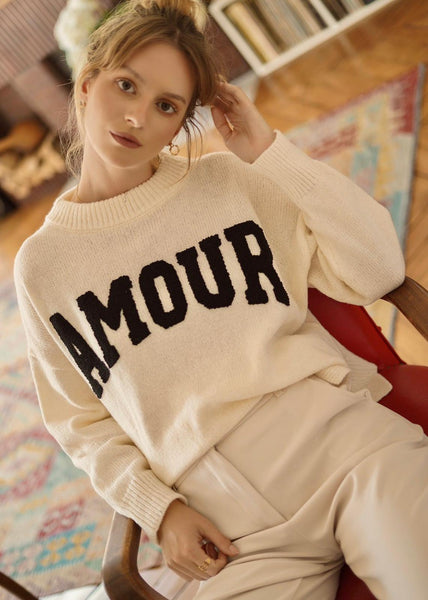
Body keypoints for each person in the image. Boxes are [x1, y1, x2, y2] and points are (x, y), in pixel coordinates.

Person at [14, 1, 428, 598]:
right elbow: (80, 423)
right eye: (126, 85)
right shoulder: (43, 267)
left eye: (166, 106)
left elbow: (377, 268)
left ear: (181, 123)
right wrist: (159, 510)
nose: (137, 116)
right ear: (86, 83)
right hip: (228, 531)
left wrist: (269, 152)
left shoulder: (227, 185)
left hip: (343, 449)